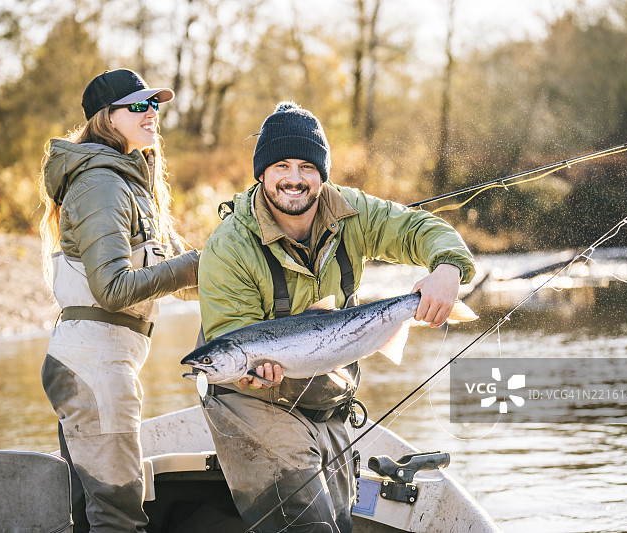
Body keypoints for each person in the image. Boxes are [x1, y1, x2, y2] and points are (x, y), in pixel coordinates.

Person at [197, 101, 476, 532]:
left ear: (323, 174)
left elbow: (420, 229)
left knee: (343, 522)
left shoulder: (352, 211)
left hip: (326, 396)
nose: (294, 178)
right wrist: (247, 375)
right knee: (309, 526)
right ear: (262, 174)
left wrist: (447, 268)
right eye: (281, 166)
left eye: (307, 166)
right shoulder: (229, 246)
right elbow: (230, 338)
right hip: (252, 403)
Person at [38, 68, 199, 532]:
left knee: (93, 515)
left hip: (101, 363)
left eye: (154, 105)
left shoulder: (131, 184)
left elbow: (177, 278)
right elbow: (113, 289)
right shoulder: (102, 183)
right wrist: (191, 265)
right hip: (94, 365)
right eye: (140, 106)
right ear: (107, 118)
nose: (153, 114)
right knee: (118, 514)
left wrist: (232, 268)